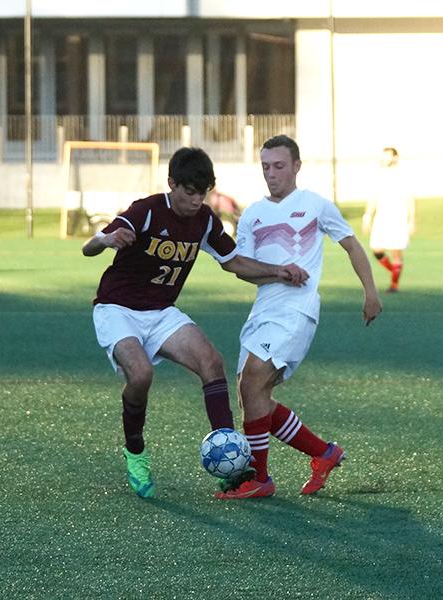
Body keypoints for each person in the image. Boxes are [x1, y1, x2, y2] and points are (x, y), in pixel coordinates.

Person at [82, 146, 309, 499]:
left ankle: (233, 464)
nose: (196, 200)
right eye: (189, 192)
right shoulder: (146, 211)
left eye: (202, 192)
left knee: (211, 361)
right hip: (117, 309)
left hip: (161, 313)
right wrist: (105, 239)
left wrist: (277, 271)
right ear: (171, 183)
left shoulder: (204, 219)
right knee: (141, 375)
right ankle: (136, 451)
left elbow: (234, 262)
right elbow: (89, 249)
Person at [215, 134, 383, 500]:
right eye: (265, 167)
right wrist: (278, 270)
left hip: (297, 310)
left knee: (252, 384)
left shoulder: (316, 205)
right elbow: (243, 269)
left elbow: (351, 245)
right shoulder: (253, 215)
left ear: (296, 166)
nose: (271, 174)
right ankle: (324, 453)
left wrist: (370, 291)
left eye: (278, 166)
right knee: (253, 396)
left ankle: (259, 478)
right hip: (263, 310)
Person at [361, 147, 416, 293]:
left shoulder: (402, 176)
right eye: (384, 156)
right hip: (382, 217)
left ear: (395, 158)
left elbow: (410, 198)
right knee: (377, 250)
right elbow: (373, 197)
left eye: (388, 156)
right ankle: (395, 271)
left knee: (396, 252)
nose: (385, 159)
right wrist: (367, 216)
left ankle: (394, 285)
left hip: (398, 217)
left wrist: (412, 219)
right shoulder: (379, 175)